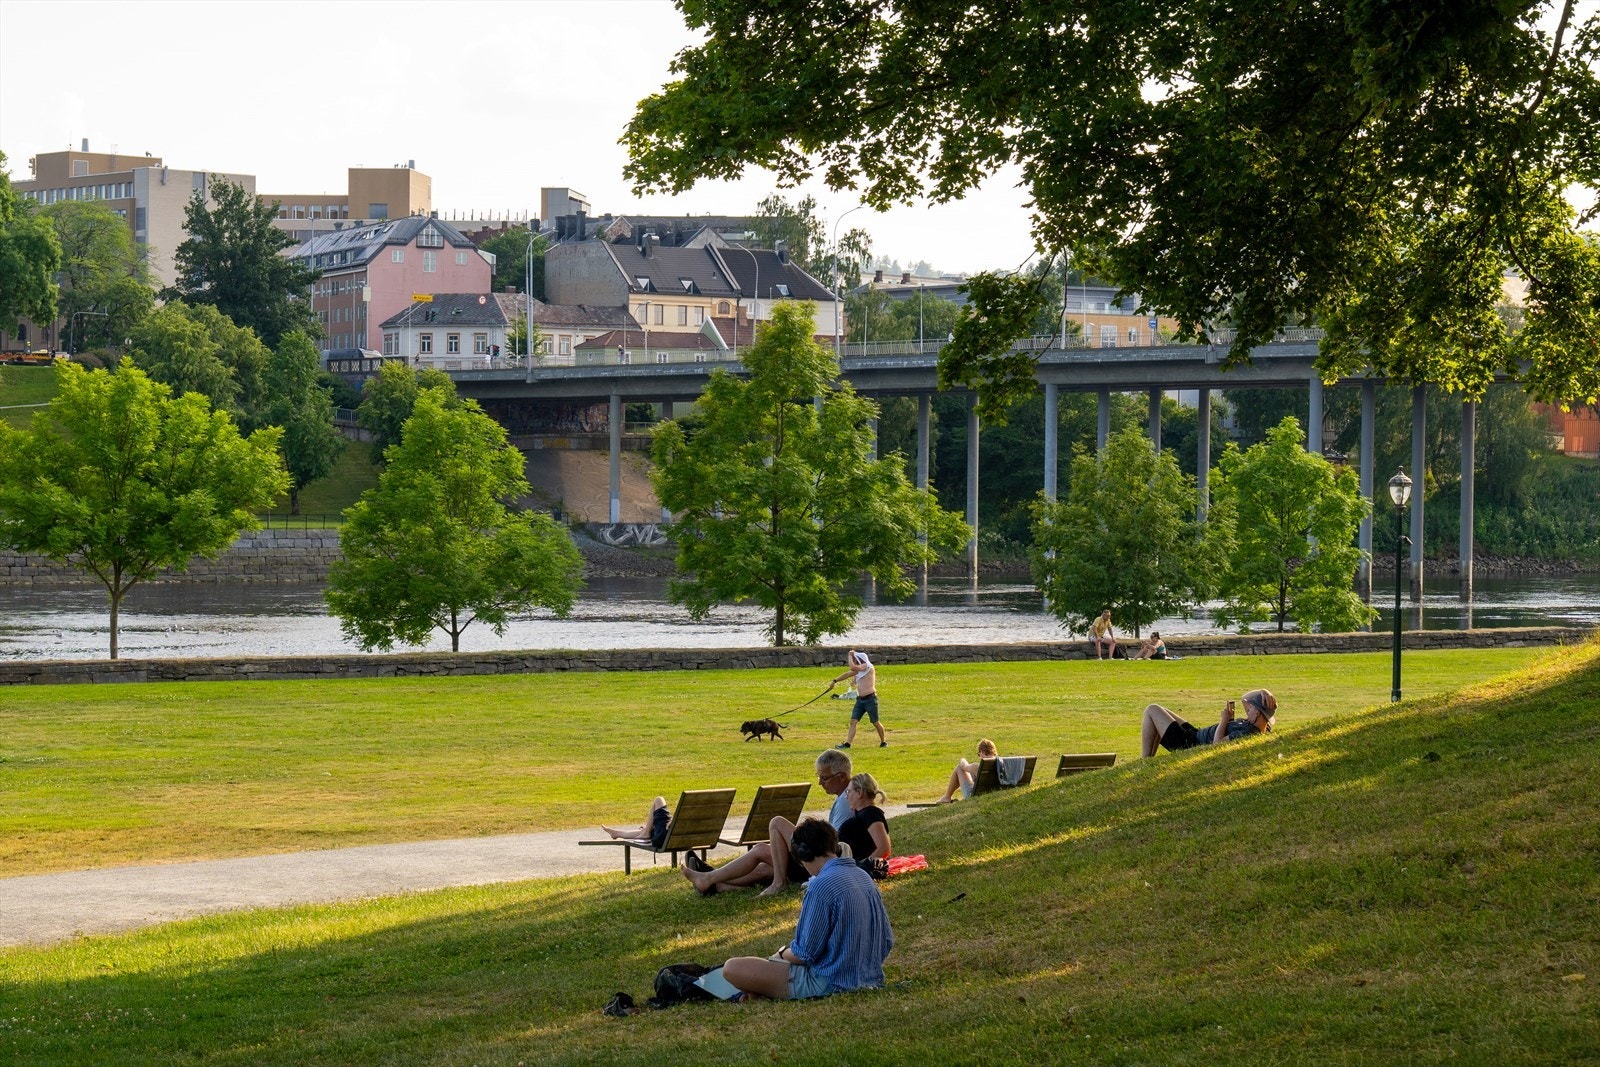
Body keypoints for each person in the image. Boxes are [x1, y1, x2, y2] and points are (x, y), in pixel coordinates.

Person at [718, 818, 894, 1000]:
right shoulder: (863, 877)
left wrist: (780, 953)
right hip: (869, 978)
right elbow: (887, 940)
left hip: (828, 982)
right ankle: (763, 992)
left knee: (732, 968)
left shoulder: (820, 885)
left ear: (803, 854)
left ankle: (763, 991)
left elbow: (804, 954)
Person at [681, 749, 854, 897]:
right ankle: (714, 883)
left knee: (771, 832)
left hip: (818, 863)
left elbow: (831, 844)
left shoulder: (846, 801)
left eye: (824, 778)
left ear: (841, 776)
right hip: (822, 863)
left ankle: (777, 883)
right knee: (766, 866)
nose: (820, 783)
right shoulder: (847, 796)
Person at [1140, 689, 1278, 758]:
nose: (1247, 708)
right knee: (1161, 711)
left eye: (1251, 708)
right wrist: (1263, 691)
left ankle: (1145, 760)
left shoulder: (1248, 733)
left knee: (1152, 709)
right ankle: (1148, 760)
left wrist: (1224, 720)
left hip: (1191, 744)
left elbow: (1216, 746)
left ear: (1258, 712)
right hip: (1196, 734)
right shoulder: (1261, 726)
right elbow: (1245, 698)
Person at [837, 772, 891, 875]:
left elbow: (884, 848)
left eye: (849, 792)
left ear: (860, 792)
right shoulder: (862, 814)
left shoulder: (870, 813)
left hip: (857, 868)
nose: (847, 797)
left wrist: (861, 867)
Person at [835, 650, 885, 748]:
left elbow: (852, 667)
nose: (855, 661)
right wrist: (834, 681)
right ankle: (847, 744)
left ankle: (883, 742)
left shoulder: (867, 666)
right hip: (860, 700)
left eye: (856, 659)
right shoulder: (859, 671)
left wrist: (850, 656)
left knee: (875, 722)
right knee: (853, 721)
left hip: (870, 699)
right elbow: (847, 674)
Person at [937, 738, 999, 803]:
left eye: (979, 754)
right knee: (971, 774)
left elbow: (964, 766)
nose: (980, 756)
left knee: (959, 768)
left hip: (974, 797)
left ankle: (947, 796)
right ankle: (946, 797)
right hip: (992, 793)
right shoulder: (1001, 763)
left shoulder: (978, 766)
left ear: (982, 751)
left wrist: (962, 759)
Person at [599, 796, 670, 848]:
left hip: (664, 836)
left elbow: (668, 826)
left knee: (659, 800)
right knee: (650, 830)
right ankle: (616, 833)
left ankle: (646, 832)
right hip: (669, 835)